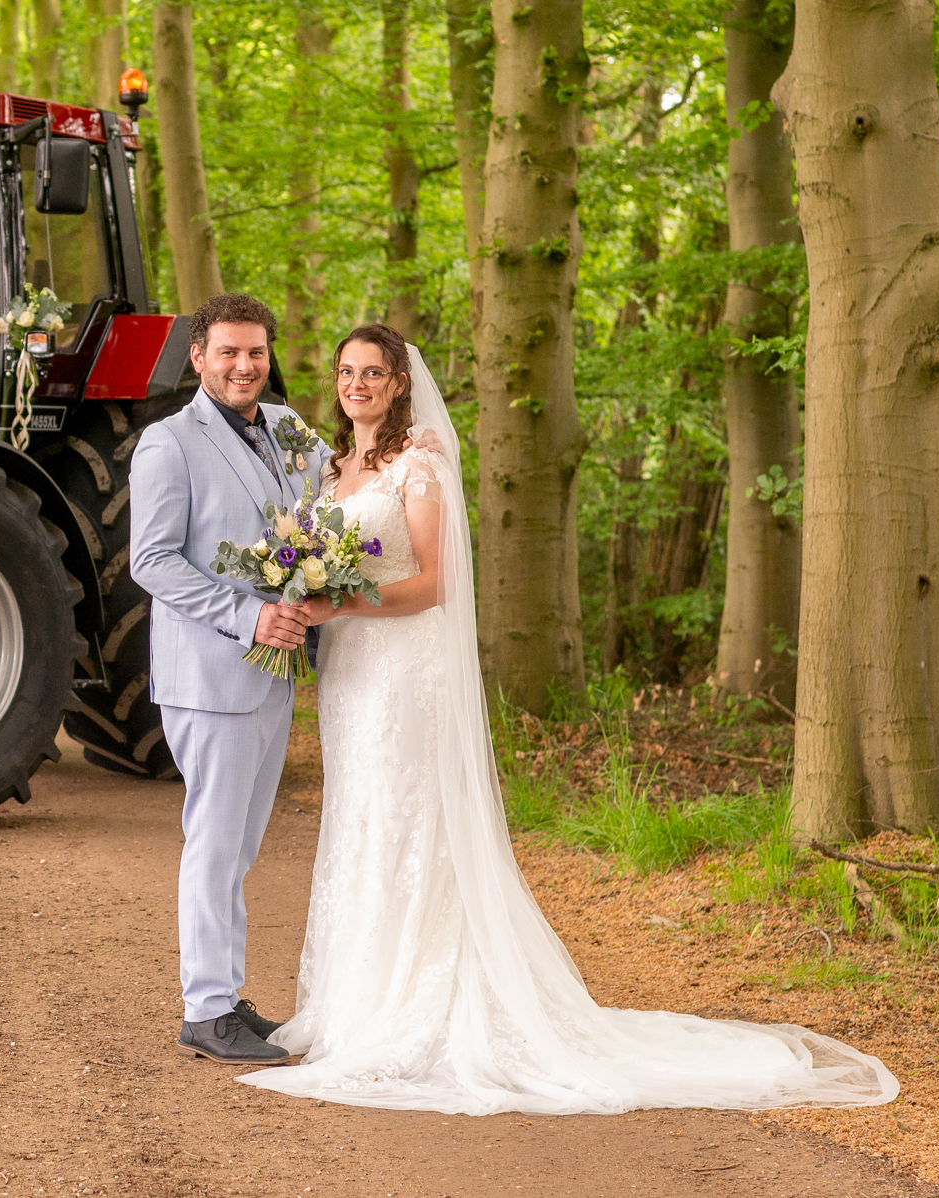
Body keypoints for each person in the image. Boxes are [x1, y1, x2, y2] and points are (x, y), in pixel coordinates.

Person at [238, 324, 898, 1113]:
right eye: (347, 372)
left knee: (411, 821)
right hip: (349, 672)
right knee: (364, 819)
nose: (357, 385)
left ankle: (417, 1003)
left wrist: (339, 599)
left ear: (399, 384)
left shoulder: (421, 465)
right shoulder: (337, 466)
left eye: (373, 373)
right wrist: (308, 593)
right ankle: (356, 1002)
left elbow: (437, 584)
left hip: (403, 668)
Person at [127, 293, 333, 1065]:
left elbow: (328, 504)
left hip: (277, 670)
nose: (244, 366)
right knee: (215, 842)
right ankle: (206, 1009)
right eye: (228, 353)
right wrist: (247, 619)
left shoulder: (287, 429)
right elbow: (152, 561)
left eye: (256, 353)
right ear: (199, 358)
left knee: (241, 846)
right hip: (211, 671)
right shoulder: (167, 444)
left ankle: (228, 995)